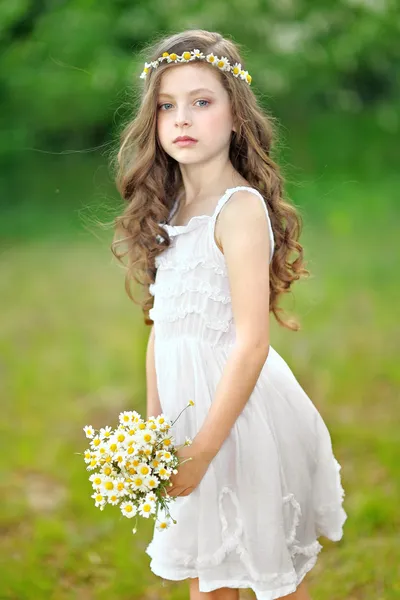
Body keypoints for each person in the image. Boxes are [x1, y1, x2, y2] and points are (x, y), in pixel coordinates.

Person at [112, 29, 347, 600]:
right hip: (189, 419)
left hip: (238, 421)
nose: (181, 118)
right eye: (167, 105)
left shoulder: (238, 209)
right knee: (208, 577)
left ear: (237, 116)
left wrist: (201, 452)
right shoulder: (170, 208)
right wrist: (156, 433)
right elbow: (162, 329)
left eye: (201, 101)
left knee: (266, 576)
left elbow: (251, 344)